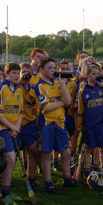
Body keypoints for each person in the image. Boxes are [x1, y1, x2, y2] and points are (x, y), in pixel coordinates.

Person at [35, 57, 74, 192]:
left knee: (66, 152)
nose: (52, 70)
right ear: (41, 70)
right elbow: (45, 107)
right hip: (47, 124)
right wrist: (61, 103)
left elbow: (68, 102)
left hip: (60, 123)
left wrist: (62, 85)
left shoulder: (57, 83)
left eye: (53, 68)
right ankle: (48, 183)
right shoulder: (39, 86)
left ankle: (67, 179)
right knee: (47, 154)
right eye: (49, 68)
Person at [0, 62, 25, 205]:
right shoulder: (0, 88)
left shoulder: (18, 90)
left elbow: (21, 112)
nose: (17, 75)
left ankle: (6, 191)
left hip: (14, 129)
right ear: (7, 74)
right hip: (3, 129)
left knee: (12, 160)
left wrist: (16, 127)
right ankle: (4, 193)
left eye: (18, 73)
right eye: (14, 73)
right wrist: (12, 127)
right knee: (10, 159)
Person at [77, 63, 103, 178]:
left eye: (97, 74)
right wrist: (80, 126)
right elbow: (80, 110)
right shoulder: (83, 91)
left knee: (102, 149)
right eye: (93, 74)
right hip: (89, 125)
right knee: (88, 149)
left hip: (101, 124)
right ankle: (87, 173)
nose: (96, 76)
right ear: (87, 75)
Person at [18, 63, 41, 190]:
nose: (26, 74)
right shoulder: (15, 88)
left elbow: (36, 108)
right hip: (16, 125)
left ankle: (31, 178)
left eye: (29, 72)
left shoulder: (33, 90)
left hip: (29, 124)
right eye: (23, 71)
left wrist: (36, 123)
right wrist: (19, 81)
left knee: (33, 150)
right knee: (13, 154)